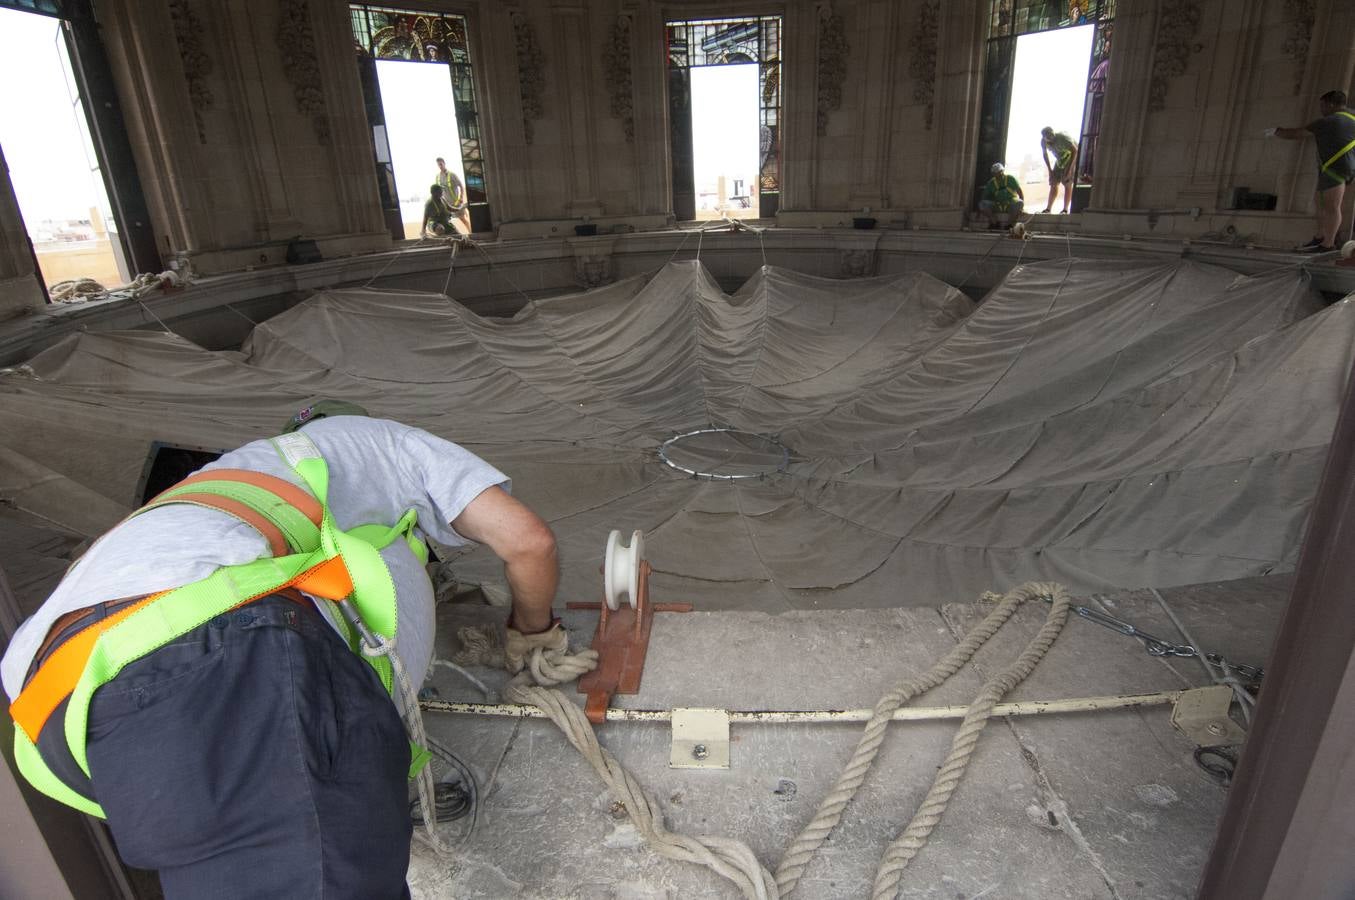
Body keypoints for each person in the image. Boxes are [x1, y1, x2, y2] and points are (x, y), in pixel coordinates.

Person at [3, 401, 565, 898]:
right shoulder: (388, 443)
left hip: (61, 699)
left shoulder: (231, 479)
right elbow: (528, 541)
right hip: (217, 649)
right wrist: (531, 630)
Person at [1269, 89, 1355, 253]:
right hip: (1341, 167)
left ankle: (1328, 244)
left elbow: (1297, 133)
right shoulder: (1353, 117)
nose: (1321, 110)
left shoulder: (1329, 121)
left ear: (1330, 104)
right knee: (1321, 204)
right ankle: (1320, 236)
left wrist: (1276, 131)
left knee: (1331, 207)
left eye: (1322, 106)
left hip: (1335, 168)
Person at [1040, 126, 1079, 213]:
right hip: (1060, 159)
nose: (1051, 137)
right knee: (1054, 182)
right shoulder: (1043, 142)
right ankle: (1048, 208)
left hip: (1071, 157)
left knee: (1067, 182)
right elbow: (1045, 155)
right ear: (1044, 137)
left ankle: (1065, 209)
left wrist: (1069, 170)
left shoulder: (1062, 137)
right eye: (1048, 136)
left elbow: (1075, 150)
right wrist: (1050, 171)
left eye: (1052, 134)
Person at [979, 162, 1025, 228]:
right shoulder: (991, 183)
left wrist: (1022, 208)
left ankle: (1009, 225)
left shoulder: (1010, 179)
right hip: (997, 205)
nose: (998, 174)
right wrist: (980, 210)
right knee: (982, 204)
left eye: (999, 172)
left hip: (1010, 204)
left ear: (1002, 171)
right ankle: (994, 223)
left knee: (1020, 203)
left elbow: (1019, 191)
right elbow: (984, 197)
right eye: (995, 173)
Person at [434, 157, 471, 234]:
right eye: (438, 165)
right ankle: (456, 235)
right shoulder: (437, 177)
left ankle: (471, 233)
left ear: (444, 163)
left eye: (441, 164)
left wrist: (461, 197)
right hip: (446, 205)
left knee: (463, 219)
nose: (440, 166)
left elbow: (461, 185)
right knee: (446, 221)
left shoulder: (452, 175)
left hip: (456, 203)